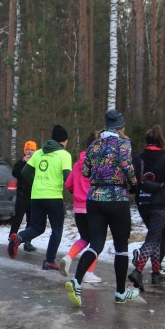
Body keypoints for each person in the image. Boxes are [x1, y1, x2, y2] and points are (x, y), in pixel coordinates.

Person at [65, 109, 140, 307]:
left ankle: (77, 281)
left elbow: (86, 171)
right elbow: (127, 166)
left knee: (96, 244)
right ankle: (121, 292)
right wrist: (134, 183)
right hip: (116, 198)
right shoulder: (123, 144)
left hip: (94, 198)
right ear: (120, 126)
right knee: (121, 247)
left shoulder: (94, 145)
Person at [7, 125, 72, 270]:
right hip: (54, 197)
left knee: (37, 227)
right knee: (56, 230)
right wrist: (74, 191)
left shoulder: (39, 153)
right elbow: (68, 179)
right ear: (64, 140)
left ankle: (18, 238)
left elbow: (25, 172)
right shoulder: (64, 155)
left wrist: (36, 183)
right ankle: (49, 260)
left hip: (36, 196)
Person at [128, 125, 165, 290]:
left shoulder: (138, 158)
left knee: (155, 236)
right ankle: (138, 270)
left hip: (143, 202)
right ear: (160, 140)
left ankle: (156, 273)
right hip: (159, 203)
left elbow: (133, 180)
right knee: (152, 238)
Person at [59, 132, 96, 279]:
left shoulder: (77, 164)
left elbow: (68, 184)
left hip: (78, 207)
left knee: (84, 238)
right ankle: (89, 273)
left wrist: (77, 191)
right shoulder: (98, 163)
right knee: (95, 240)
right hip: (93, 206)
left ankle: (69, 257)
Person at [9, 140, 38, 252]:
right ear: (24, 150)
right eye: (28, 149)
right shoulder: (20, 162)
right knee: (18, 218)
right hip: (22, 195)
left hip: (34, 195)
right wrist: (22, 162)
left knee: (32, 220)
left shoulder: (37, 162)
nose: (29, 152)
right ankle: (12, 239)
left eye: (32, 150)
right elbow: (15, 173)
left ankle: (28, 241)